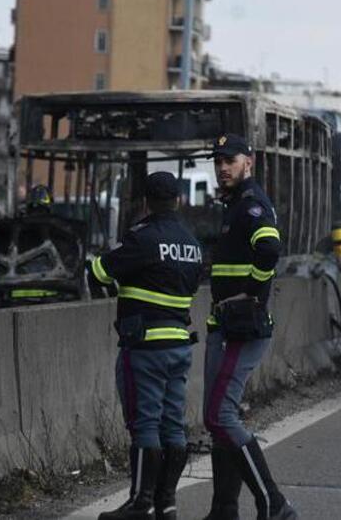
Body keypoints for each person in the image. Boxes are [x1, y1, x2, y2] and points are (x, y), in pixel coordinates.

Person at [89, 172, 203, 520]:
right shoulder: (191, 242)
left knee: (145, 425)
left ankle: (140, 503)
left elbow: (99, 272)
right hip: (180, 345)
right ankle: (166, 503)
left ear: (145, 202)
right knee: (172, 425)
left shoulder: (142, 237)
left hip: (145, 347)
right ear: (178, 201)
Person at [202, 134, 297, 520]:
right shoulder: (234, 204)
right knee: (217, 418)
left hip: (241, 328)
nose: (223, 167)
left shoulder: (251, 203)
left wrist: (253, 293)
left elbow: (270, 249)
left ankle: (273, 504)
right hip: (224, 326)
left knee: (220, 416)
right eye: (218, 160)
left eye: (231, 160)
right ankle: (224, 509)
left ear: (249, 162)